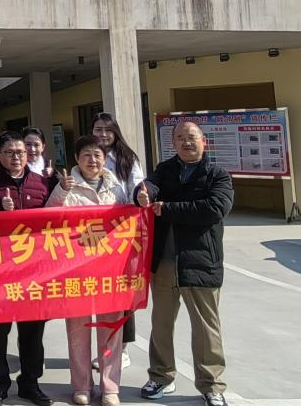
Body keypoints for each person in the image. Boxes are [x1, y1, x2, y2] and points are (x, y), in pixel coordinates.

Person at [135, 121, 233, 406]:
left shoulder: (217, 175)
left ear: (204, 141)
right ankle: (161, 376)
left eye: (191, 137)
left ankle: (211, 385)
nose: (186, 142)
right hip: (165, 262)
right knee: (161, 324)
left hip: (201, 261)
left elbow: (214, 209)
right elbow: (150, 185)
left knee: (206, 329)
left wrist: (167, 209)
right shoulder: (166, 169)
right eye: (180, 138)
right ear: (173, 143)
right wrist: (143, 193)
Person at [46, 136, 128, 406]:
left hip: (110, 270)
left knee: (111, 330)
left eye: (97, 155)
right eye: (86, 155)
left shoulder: (116, 186)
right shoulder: (66, 186)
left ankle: (110, 387)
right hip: (77, 270)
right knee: (78, 332)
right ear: (76, 159)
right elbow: (48, 218)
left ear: (105, 159)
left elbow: (127, 223)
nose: (92, 160)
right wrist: (61, 191)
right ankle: (81, 385)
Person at [0, 132, 53, 406]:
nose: (17, 157)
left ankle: (30, 383)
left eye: (20, 152)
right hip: (0, 270)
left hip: (34, 270)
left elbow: (54, 219)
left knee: (33, 331)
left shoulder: (41, 183)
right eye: (9, 152)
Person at [91, 112, 145, 371]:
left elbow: (138, 186)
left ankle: (122, 349)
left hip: (122, 233)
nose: (102, 134)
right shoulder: (88, 155)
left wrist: (140, 195)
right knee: (100, 293)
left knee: (123, 293)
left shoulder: (127, 158)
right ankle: (104, 348)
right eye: (97, 129)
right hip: (95, 235)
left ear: (115, 132)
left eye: (107, 130)